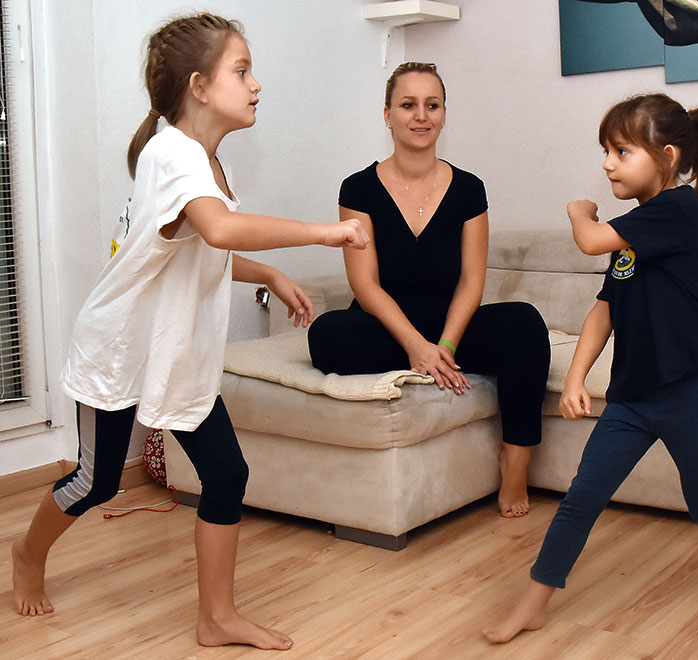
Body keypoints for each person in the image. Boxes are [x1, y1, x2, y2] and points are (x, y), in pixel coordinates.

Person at [11, 13, 368, 652]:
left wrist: (272, 275)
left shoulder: (202, 158)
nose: (257, 84)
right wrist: (323, 232)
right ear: (200, 86)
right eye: (242, 70)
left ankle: (217, 616)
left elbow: (205, 248)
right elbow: (222, 230)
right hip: (120, 347)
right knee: (95, 483)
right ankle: (26, 555)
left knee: (226, 475)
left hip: (172, 352)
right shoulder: (172, 153)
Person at [483, 93, 698, 643]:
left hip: (690, 389)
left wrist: (579, 211)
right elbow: (604, 310)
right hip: (633, 396)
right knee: (583, 496)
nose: (607, 164)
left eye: (621, 151)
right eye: (605, 151)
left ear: (666, 156)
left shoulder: (682, 211)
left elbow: (590, 239)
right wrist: (574, 379)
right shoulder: (639, 229)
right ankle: (534, 600)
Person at [306, 62, 551, 518]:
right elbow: (365, 284)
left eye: (431, 105)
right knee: (325, 335)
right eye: (408, 105)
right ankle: (427, 363)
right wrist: (416, 347)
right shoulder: (357, 188)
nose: (421, 116)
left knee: (525, 325)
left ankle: (515, 460)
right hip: (386, 324)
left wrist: (445, 343)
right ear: (387, 115)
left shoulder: (469, 189)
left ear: (443, 114)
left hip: (448, 322)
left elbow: (471, 282)